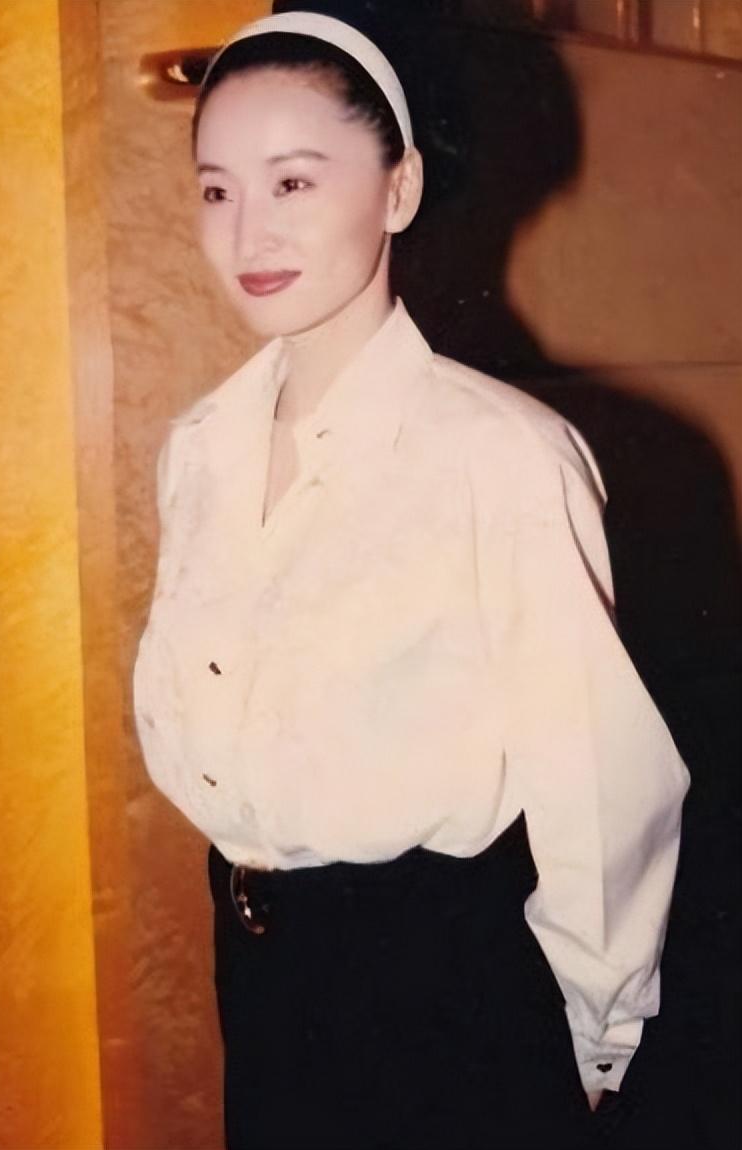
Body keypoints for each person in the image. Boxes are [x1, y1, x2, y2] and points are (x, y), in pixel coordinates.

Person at [132, 11, 691, 1149]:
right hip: (259, 965)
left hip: (439, 989)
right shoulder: (199, 448)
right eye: (216, 190)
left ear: (400, 188)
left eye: (294, 182)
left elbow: (597, 786)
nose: (247, 231)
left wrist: (601, 1030)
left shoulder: (500, 455)